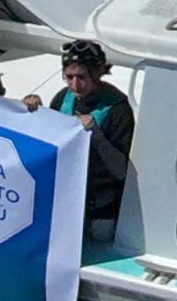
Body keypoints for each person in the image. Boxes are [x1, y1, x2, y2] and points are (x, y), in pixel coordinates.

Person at [22, 39, 134, 235]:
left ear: (99, 72)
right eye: (69, 77)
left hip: (100, 205)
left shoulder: (118, 109)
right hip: (64, 197)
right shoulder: (63, 98)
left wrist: (96, 135)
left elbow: (121, 170)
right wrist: (36, 113)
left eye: (82, 77)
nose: (75, 85)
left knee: (100, 234)